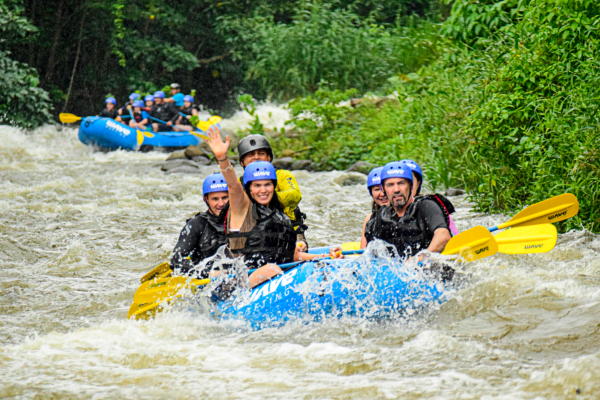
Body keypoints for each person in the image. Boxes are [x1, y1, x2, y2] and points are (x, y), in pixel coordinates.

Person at [205, 128, 336, 269]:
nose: (263, 190)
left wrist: (328, 257)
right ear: (248, 188)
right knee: (270, 269)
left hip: (275, 274)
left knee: (274, 268)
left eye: (268, 185)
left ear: (274, 186)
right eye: (257, 186)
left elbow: (295, 256)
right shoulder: (242, 208)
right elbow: (233, 186)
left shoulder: (281, 218)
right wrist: (222, 159)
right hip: (243, 278)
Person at [363, 161, 452, 259]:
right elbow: (367, 255)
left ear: (410, 185)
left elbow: (443, 235)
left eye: (401, 183)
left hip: (426, 267)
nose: (396, 189)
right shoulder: (379, 217)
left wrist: (420, 258)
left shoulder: (427, 206)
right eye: (390, 185)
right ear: (383, 189)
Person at [237, 134, 310, 250]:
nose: (256, 157)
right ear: (242, 162)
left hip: (290, 231)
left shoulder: (283, 175)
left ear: (269, 157)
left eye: (261, 153)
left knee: (298, 249)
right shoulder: (238, 183)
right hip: (254, 234)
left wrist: (266, 196)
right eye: (251, 154)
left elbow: (295, 195)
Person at [171, 173, 230, 277]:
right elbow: (176, 259)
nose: (221, 204)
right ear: (206, 199)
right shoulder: (196, 224)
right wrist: (207, 273)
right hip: (206, 278)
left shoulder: (241, 221)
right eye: (215, 199)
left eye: (225, 198)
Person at [400, 159, 459, 236]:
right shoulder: (387, 211)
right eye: (402, 182)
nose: (406, 186)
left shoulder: (431, 206)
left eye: (410, 181)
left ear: (418, 184)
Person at [359, 166, 388, 249]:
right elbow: (363, 253)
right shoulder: (369, 219)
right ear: (371, 193)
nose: (382, 194)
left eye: (384, 188)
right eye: (376, 189)